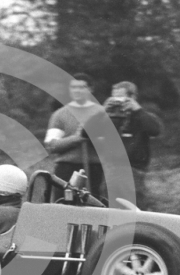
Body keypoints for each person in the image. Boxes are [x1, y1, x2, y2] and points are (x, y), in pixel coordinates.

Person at [44, 73, 107, 198]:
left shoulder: (102, 114)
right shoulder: (60, 114)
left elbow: (110, 145)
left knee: (93, 205)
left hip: (93, 168)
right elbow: (51, 145)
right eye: (73, 87)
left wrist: (92, 137)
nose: (77, 91)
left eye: (81, 87)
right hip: (66, 169)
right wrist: (77, 138)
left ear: (90, 89)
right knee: (63, 203)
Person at [103, 81, 163, 210]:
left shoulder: (142, 117)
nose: (118, 103)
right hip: (111, 170)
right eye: (114, 99)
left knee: (134, 209)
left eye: (121, 99)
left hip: (133, 170)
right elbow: (85, 133)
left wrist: (137, 110)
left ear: (133, 98)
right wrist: (103, 110)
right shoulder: (109, 118)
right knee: (106, 208)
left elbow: (155, 130)